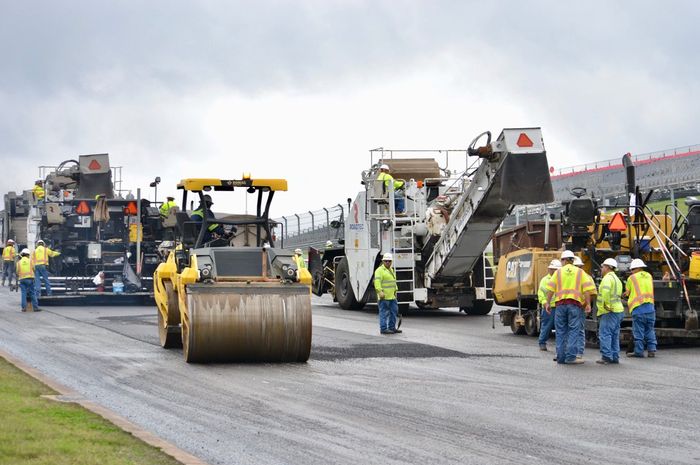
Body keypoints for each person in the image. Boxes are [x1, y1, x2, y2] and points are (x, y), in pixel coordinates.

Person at [545, 250, 595, 364]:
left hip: (560, 306)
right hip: (575, 305)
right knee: (574, 330)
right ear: (572, 260)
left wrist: (547, 302)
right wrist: (587, 304)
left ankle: (561, 357)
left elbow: (550, 289)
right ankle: (571, 357)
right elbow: (587, 290)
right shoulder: (580, 272)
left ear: (563, 260)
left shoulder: (558, 272)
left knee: (560, 331)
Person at [623, 258, 657, 358]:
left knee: (638, 331)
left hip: (638, 308)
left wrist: (623, 294)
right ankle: (652, 350)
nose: (631, 272)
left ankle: (638, 352)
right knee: (650, 330)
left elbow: (627, 293)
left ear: (635, 268)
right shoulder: (649, 276)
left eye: (632, 270)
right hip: (650, 308)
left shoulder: (631, 278)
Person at [596, 258, 624, 364]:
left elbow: (606, 293)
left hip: (609, 311)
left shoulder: (607, 278)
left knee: (605, 333)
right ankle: (615, 356)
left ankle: (606, 356)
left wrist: (606, 306)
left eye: (603, 267)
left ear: (607, 267)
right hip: (618, 310)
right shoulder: (617, 279)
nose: (601, 269)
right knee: (614, 335)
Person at [573, 255, 595, 360]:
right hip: (576, 306)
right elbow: (593, 293)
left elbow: (591, 293)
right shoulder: (587, 277)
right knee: (577, 329)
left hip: (577, 306)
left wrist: (586, 304)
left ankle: (577, 351)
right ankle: (577, 351)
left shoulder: (583, 277)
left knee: (577, 329)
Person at [374, 253, 402, 334]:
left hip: (392, 297)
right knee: (384, 313)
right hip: (384, 297)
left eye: (389, 261)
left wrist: (395, 291)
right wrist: (379, 291)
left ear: (391, 262)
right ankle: (383, 329)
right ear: (383, 261)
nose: (387, 262)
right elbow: (377, 282)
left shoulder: (391, 270)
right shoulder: (379, 271)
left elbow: (393, 282)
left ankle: (392, 328)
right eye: (386, 261)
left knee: (394, 312)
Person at [537, 259, 561, 351]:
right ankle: (542, 342)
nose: (554, 271)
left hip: (559, 306)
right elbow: (541, 294)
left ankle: (559, 346)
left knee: (560, 327)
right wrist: (545, 303)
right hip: (549, 307)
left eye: (556, 270)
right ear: (549, 270)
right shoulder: (545, 280)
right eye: (553, 269)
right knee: (546, 326)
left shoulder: (560, 279)